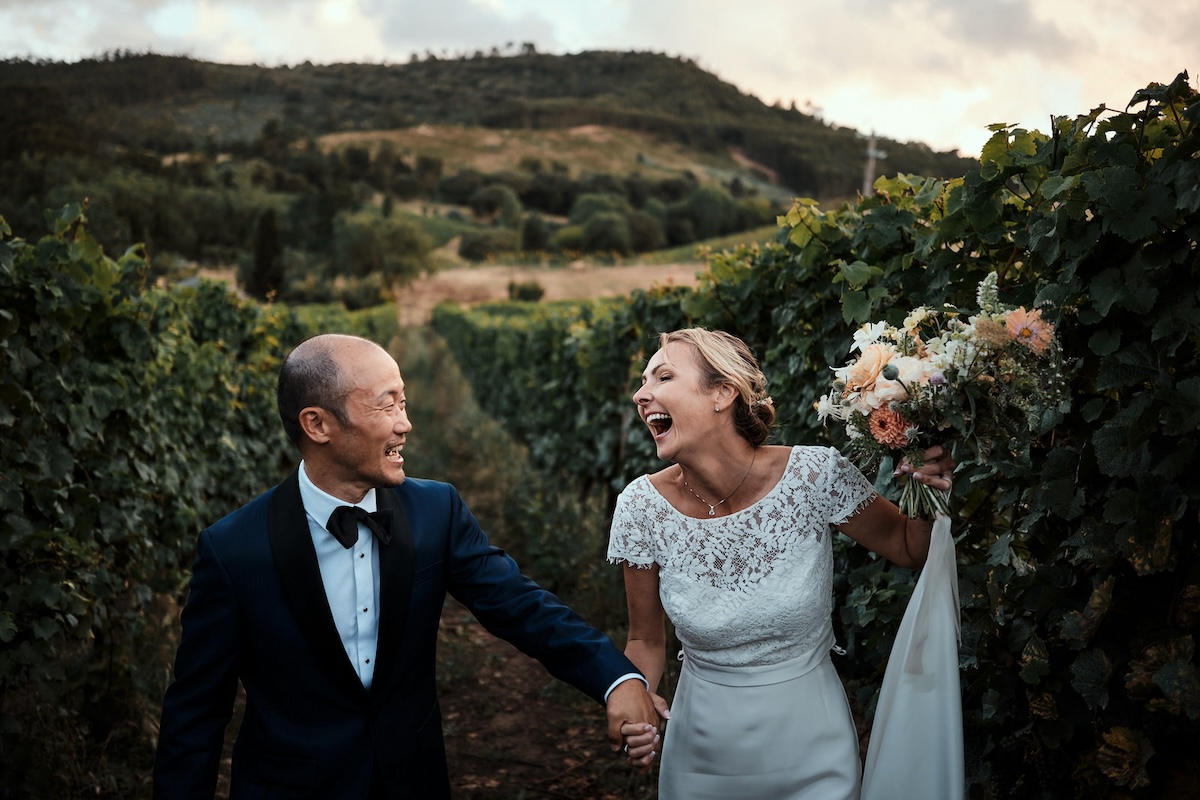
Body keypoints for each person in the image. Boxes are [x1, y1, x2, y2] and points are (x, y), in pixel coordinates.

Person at [153, 333, 658, 799]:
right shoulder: (233, 549)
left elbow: (521, 607)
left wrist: (617, 678)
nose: (404, 422)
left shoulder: (436, 510)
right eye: (385, 403)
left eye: (404, 400)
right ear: (318, 424)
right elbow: (195, 716)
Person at [609, 328, 955, 798]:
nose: (640, 393)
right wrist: (637, 694)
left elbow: (908, 547)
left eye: (663, 376)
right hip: (700, 760)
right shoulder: (640, 506)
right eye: (644, 381)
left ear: (723, 392)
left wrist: (927, 484)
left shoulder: (814, 475)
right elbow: (644, 639)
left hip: (815, 754)